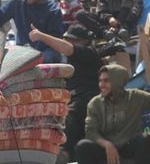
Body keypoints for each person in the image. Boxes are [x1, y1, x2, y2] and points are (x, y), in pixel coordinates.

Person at [28, 23, 102, 154]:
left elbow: (68, 49)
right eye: (67, 39)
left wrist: (41, 36)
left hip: (89, 100)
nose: (67, 42)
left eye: (72, 40)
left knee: (68, 118)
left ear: (84, 41)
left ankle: (66, 154)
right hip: (75, 101)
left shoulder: (89, 53)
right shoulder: (70, 63)